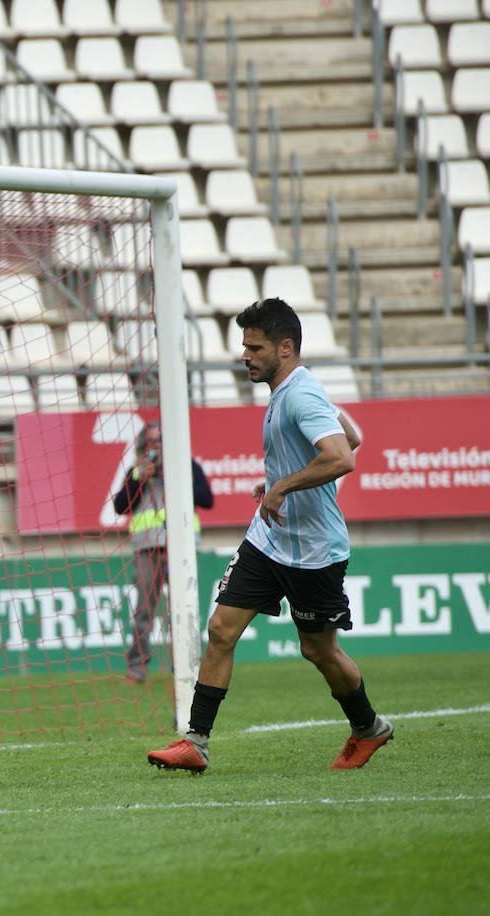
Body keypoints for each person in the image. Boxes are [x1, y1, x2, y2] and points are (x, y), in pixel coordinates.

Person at [148, 298, 388, 775]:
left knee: (318, 651)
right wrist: (282, 480)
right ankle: (196, 742)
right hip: (269, 538)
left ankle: (369, 728)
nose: (245, 355)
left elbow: (344, 456)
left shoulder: (301, 394)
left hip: (315, 551)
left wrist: (282, 485)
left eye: (254, 346)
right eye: (243, 345)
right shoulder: (290, 389)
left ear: (285, 347)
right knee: (220, 630)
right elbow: (352, 434)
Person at [114, 420, 214, 683]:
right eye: (151, 441)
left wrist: (175, 475)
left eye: (161, 440)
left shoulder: (187, 466)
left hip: (180, 546)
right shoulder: (135, 471)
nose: (156, 446)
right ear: (143, 445)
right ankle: (137, 668)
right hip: (147, 548)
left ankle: (187, 665)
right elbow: (120, 506)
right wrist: (139, 479)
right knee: (144, 612)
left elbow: (207, 499)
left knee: (184, 607)